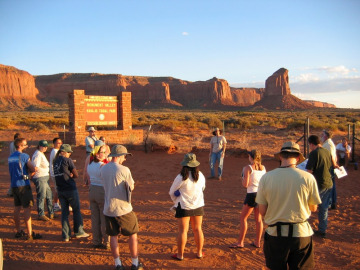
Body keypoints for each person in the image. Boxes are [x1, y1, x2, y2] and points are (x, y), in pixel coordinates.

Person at [256, 141, 321, 269]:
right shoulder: (308, 178)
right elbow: (313, 207)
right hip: (301, 234)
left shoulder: (266, 178)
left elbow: (262, 211)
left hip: (275, 235)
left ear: (280, 156)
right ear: (297, 158)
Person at [100, 145, 143, 270]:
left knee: (113, 236)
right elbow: (131, 187)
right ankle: (135, 263)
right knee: (133, 234)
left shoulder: (103, 168)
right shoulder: (124, 170)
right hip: (123, 208)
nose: (125, 158)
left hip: (108, 208)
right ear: (118, 156)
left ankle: (117, 264)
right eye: (124, 156)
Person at [169, 153, 206, 260]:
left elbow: (171, 192)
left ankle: (180, 255)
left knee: (183, 231)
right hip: (198, 205)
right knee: (198, 229)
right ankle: (199, 253)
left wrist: (177, 200)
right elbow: (203, 188)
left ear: (184, 164)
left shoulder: (181, 177)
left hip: (184, 206)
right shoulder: (200, 175)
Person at [229, 150, 266, 249]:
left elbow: (245, 184)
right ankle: (257, 242)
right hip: (261, 194)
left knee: (243, 218)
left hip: (252, 195)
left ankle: (240, 242)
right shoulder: (263, 168)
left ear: (251, 157)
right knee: (258, 220)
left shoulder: (248, 168)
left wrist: (242, 178)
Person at [53, 144, 89, 241]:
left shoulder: (55, 161)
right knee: (76, 210)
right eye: (69, 152)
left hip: (60, 189)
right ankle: (79, 231)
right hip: (70, 188)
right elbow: (76, 175)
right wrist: (71, 174)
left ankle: (66, 235)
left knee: (64, 212)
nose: (70, 154)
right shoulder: (67, 160)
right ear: (63, 152)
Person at [8, 138, 42, 241]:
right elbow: (32, 167)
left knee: (17, 208)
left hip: (14, 185)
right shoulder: (24, 156)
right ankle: (29, 234)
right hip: (23, 185)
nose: (26, 146)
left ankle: (18, 231)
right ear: (21, 146)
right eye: (25, 145)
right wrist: (33, 171)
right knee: (27, 208)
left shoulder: (10, 157)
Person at [306, 135, 333, 238]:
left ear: (312, 144)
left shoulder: (314, 153)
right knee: (324, 208)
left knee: (308, 205)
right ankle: (322, 230)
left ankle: (304, 228)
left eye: (310, 145)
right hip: (328, 182)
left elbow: (309, 171)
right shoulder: (326, 151)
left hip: (319, 184)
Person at [87, 145, 110, 249]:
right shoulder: (103, 166)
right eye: (103, 152)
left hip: (92, 191)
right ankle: (107, 242)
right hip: (101, 191)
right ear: (97, 154)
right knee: (104, 217)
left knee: (95, 218)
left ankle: (96, 241)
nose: (105, 154)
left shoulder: (90, 164)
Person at [31, 140, 54, 221]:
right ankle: (41, 214)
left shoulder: (41, 154)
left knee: (49, 195)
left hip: (44, 177)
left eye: (46, 146)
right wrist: (32, 177)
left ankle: (51, 213)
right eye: (43, 146)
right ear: (39, 146)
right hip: (40, 177)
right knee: (41, 196)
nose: (45, 148)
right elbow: (34, 167)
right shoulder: (37, 154)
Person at [321, 130, 339, 210]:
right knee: (332, 185)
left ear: (326, 136)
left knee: (330, 185)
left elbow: (331, 156)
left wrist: (334, 164)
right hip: (330, 166)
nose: (321, 136)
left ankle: (330, 203)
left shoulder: (328, 144)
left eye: (322, 135)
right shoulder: (329, 143)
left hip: (329, 167)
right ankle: (332, 203)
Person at [49, 137, 62, 212]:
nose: (59, 144)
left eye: (60, 143)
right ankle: (56, 204)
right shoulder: (55, 151)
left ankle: (57, 204)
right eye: (58, 143)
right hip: (55, 173)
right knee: (58, 189)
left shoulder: (56, 151)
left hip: (55, 172)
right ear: (54, 144)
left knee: (58, 188)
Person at [7, 133, 21, 197]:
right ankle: (12, 191)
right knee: (17, 176)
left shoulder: (11, 144)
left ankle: (11, 191)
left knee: (14, 176)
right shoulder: (17, 145)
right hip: (16, 161)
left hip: (11, 160)